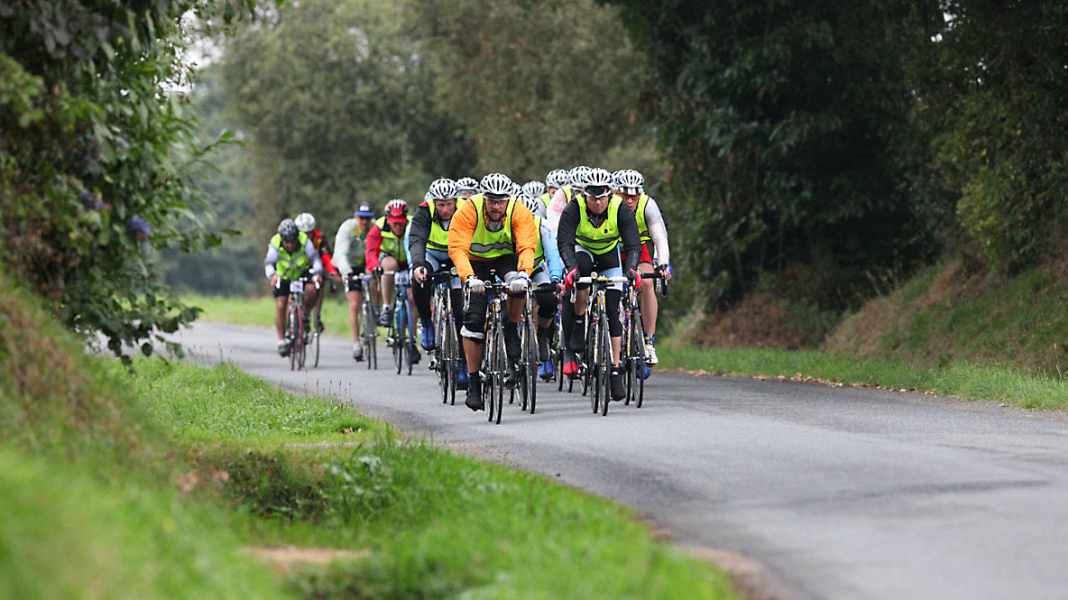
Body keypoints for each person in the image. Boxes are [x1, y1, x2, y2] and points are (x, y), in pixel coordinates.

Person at [447, 172, 538, 412]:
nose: (496, 206)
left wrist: (524, 274)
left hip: (506, 259)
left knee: (517, 289)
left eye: (501, 201)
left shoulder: (518, 210)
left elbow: (527, 246)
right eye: (492, 200)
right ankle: (474, 380)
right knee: (474, 321)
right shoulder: (468, 210)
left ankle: (511, 327)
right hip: (476, 262)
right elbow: (457, 249)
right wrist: (469, 279)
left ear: (508, 199)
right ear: (484, 197)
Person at [556, 167, 641, 401]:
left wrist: (632, 269)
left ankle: (615, 368)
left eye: (602, 197)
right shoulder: (574, 208)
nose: (597, 203)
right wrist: (571, 269)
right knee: (582, 275)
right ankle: (580, 319)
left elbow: (633, 245)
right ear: (585, 195)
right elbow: (564, 242)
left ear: (609, 194)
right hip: (582, 252)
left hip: (608, 256)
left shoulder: (619, 208)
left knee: (613, 311)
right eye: (592, 197)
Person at [408, 178, 469, 388]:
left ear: (455, 201)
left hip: (456, 256)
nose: (445, 209)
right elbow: (416, 239)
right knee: (419, 279)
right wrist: (418, 265)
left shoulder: (465, 209)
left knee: (461, 310)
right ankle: (426, 321)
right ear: (434, 202)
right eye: (440, 204)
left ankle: (462, 363)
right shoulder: (424, 211)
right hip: (432, 255)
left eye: (449, 204)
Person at [615, 169, 672, 365]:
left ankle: (649, 341)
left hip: (638, 250)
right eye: (625, 195)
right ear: (616, 192)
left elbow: (660, 237)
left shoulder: (648, 205)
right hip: (612, 251)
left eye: (634, 196)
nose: (630, 200)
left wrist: (663, 264)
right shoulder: (608, 204)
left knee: (647, 284)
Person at [519, 194, 565, 380]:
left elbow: (552, 252)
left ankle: (543, 335)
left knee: (548, 300)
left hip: (536, 268)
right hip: (511, 269)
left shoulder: (541, 225)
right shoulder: (504, 226)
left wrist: (555, 278)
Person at [367, 199, 419, 362]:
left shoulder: (413, 223)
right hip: (389, 259)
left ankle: (412, 337)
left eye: (401, 223)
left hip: (409, 261)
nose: (398, 227)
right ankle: (387, 307)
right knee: (389, 266)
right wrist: (375, 266)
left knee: (413, 298)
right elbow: (370, 251)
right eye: (394, 223)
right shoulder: (378, 227)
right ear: (388, 219)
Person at [264, 218, 323, 356]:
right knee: (280, 304)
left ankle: (305, 316)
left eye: (292, 241)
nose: (290, 244)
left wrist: (318, 274)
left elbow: (315, 260)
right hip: (283, 275)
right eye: (287, 241)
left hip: (301, 273)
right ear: (282, 239)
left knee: (312, 290)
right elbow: (269, 263)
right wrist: (272, 275)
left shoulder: (304, 241)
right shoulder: (275, 242)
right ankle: (281, 340)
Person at [334, 203, 376, 360]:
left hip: (368, 265)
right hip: (350, 267)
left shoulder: (374, 227)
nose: (364, 222)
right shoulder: (348, 228)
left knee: (375, 286)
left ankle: (376, 312)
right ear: (355, 217)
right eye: (361, 218)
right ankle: (356, 343)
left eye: (367, 218)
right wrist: (346, 271)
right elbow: (340, 253)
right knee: (354, 303)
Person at [295, 212, 341, 332]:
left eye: (309, 232)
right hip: (296, 267)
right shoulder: (293, 238)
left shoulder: (319, 238)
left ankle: (316, 315)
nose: (306, 235)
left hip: (315, 266)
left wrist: (332, 271)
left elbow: (326, 256)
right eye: (303, 233)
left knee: (319, 284)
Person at [546, 164, 591, 234]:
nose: (581, 195)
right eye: (577, 191)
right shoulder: (562, 194)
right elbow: (555, 226)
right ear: (571, 189)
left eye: (585, 191)